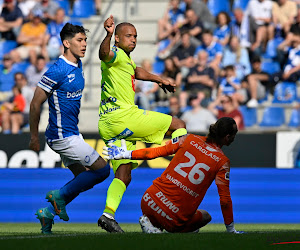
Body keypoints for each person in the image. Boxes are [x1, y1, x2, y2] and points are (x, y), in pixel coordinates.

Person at [98, 15, 187, 233]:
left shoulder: (126, 60)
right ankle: (180, 179)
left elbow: (137, 71)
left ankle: (107, 215)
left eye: (136, 36)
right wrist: (107, 35)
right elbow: (104, 54)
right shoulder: (115, 54)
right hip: (123, 117)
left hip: (108, 124)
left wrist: (159, 79)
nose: (134, 39)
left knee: (124, 174)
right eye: (128, 36)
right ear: (117, 39)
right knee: (178, 124)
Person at [29, 23, 110, 234]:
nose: (84, 44)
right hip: (62, 135)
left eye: (85, 40)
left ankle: (47, 214)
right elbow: (35, 103)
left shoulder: (78, 64)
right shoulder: (58, 70)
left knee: (82, 179)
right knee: (102, 170)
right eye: (79, 40)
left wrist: (109, 34)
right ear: (66, 43)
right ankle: (57, 196)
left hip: (71, 133)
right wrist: (33, 137)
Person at [103, 117, 244, 234]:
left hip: (148, 200)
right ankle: (160, 228)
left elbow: (154, 152)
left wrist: (125, 154)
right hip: (174, 217)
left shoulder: (188, 138)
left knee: (180, 218)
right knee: (205, 217)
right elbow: (225, 200)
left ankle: (151, 224)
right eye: (234, 135)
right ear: (227, 137)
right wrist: (230, 229)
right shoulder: (222, 161)